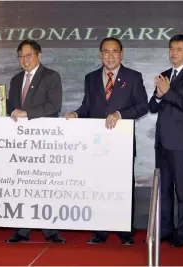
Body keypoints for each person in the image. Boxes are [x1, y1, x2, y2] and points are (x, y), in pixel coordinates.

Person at [64, 37, 148, 245]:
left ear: (122, 53)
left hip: (123, 143)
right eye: (106, 52)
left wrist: (120, 114)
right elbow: (87, 107)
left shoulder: (134, 77)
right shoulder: (91, 78)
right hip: (97, 145)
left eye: (114, 52)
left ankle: (125, 232)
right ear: (100, 54)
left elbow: (143, 106)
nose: (110, 56)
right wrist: (75, 114)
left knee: (124, 189)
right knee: (98, 187)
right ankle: (100, 231)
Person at [5, 39, 65, 243]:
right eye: (21, 56)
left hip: (44, 141)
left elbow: (53, 106)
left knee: (45, 185)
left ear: (39, 55)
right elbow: (11, 109)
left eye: (28, 55)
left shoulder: (51, 77)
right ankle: (22, 230)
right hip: (20, 142)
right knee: (22, 185)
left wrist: (26, 113)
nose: (24, 59)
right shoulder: (14, 80)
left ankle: (51, 231)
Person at [148, 34, 183, 248]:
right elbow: (153, 107)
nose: (173, 52)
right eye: (171, 48)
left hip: (181, 144)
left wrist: (168, 92)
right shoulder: (164, 75)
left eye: (178, 49)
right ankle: (165, 229)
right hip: (162, 143)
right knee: (164, 191)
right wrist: (160, 96)